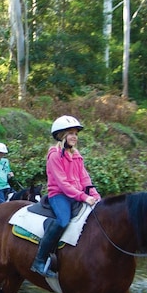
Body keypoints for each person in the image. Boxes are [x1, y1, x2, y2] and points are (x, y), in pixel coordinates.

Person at [30, 115, 101, 278]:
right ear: (61, 135)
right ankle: (39, 261)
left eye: (76, 133)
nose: (74, 137)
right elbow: (62, 183)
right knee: (63, 220)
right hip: (59, 195)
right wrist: (83, 197)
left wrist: (95, 195)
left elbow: (84, 178)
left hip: (77, 194)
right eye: (71, 133)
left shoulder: (77, 155)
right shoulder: (54, 155)